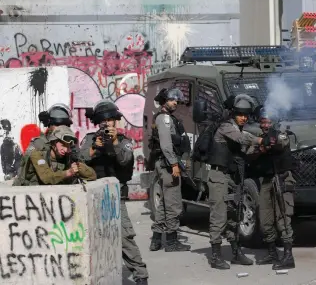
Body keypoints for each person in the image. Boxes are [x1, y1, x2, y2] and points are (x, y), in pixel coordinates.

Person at [79, 99, 148, 285]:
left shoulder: (124, 141)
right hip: (94, 196)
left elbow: (125, 161)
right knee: (94, 237)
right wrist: (94, 148)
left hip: (116, 197)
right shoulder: (90, 139)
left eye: (110, 120)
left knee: (124, 237)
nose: (107, 123)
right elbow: (80, 159)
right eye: (104, 120)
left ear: (115, 121)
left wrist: (115, 142)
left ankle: (140, 275)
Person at [206, 94, 267, 270]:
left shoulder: (238, 129)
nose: (244, 117)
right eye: (240, 114)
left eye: (246, 115)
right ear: (233, 114)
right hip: (218, 176)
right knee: (219, 216)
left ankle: (235, 252)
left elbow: (246, 149)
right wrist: (260, 140)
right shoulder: (226, 127)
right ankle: (216, 256)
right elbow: (243, 139)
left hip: (232, 177)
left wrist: (261, 146)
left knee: (235, 215)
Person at [248, 106, 296, 270]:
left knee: (283, 217)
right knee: (265, 219)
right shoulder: (261, 137)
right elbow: (252, 152)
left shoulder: (280, 133)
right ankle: (272, 253)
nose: (265, 125)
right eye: (262, 122)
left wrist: (267, 144)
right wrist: (261, 147)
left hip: (281, 178)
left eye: (268, 121)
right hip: (268, 180)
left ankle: (288, 256)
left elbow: (280, 142)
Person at [148, 88, 192, 253]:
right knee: (173, 203)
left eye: (177, 100)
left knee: (164, 204)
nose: (176, 103)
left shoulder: (164, 117)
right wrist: (174, 164)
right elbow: (166, 145)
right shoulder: (165, 118)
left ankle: (156, 240)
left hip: (164, 163)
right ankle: (172, 242)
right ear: (165, 100)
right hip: (168, 165)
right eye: (173, 100)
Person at [13, 125, 96, 186]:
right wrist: (68, 172)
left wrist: (79, 166)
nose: (66, 150)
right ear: (53, 143)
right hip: (27, 194)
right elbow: (46, 178)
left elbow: (92, 176)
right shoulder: (38, 150)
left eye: (68, 146)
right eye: (63, 145)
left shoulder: (68, 154)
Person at [13, 103, 73, 185]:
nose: (61, 128)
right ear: (49, 125)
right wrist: (68, 173)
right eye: (57, 125)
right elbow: (46, 177)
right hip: (30, 191)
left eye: (64, 125)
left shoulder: (67, 144)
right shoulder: (39, 145)